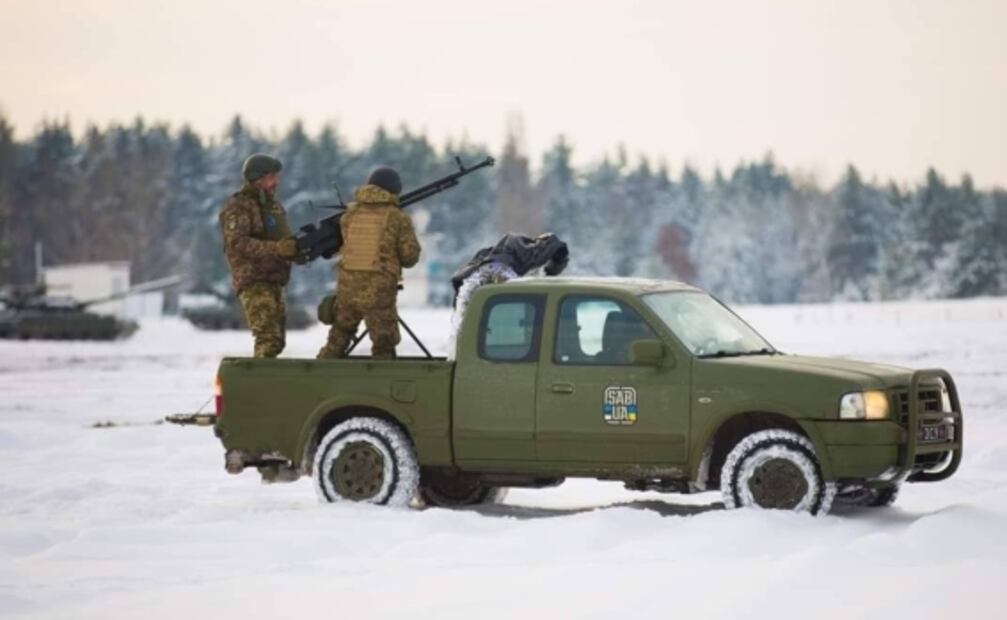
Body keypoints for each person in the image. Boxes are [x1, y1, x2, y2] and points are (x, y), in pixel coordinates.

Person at [317, 166, 421, 360]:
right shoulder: (398, 218)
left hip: (347, 289)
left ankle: (316, 375)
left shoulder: (348, 216)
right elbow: (410, 258)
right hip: (378, 293)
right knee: (383, 344)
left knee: (337, 339)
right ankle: (380, 384)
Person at [219, 153, 301, 357]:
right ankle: (255, 386)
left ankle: (265, 386)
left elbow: (284, 240)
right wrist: (277, 249)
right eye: (272, 177)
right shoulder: (239, 206)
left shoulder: (274, 207)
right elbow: (237, 243)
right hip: (254, 280)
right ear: (258, 179)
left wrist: (300, 250)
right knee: (268, 340)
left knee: (276, 342)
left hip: (275, 281)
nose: (276, 182)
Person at [446, 232, 569, 359]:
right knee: (525, 298)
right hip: (500, 270)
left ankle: (456, 354)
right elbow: (559, 248)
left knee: (460, 325)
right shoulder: (536, 248)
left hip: (477, 275)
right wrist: (551, 271)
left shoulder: (494, 250)